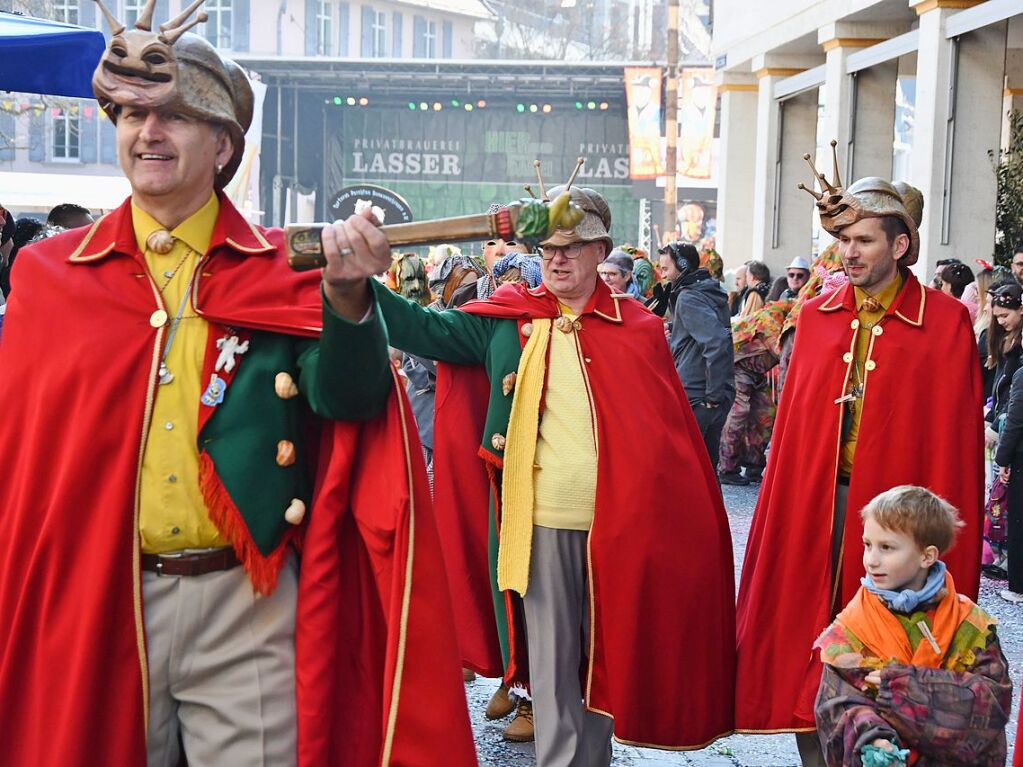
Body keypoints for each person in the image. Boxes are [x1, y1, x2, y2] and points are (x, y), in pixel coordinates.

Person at [0, 8, 475, 766]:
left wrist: (349, 300)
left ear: (222, 144)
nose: (148, 132)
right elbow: (24, 464)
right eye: (131, 114)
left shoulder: (282, 268)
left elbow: (345, 404)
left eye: (175, 115)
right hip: (97, 596)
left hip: (246, 599)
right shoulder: (49, 277)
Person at [324, 184, 738, 765]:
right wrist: (357, 284)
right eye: (546, 248)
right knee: (551, 669)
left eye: (572, 247)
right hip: (537, 525)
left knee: (603, 665)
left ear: (602, 250)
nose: (558, 259)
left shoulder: (638, 328)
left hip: (619, 529)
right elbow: (421, 329)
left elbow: (666, 442)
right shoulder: (508, 319)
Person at [734, 172, 983, 767]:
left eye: (864, 240)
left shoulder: (944, 322)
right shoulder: (818, 316)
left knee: (888, 652)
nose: (848, 253)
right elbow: (794, 431)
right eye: (843, 240)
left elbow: (953, 448)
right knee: (811, 643)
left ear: (900, 245)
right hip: (819, 506)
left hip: (898, 525)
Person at [814, 486, 1011, 766]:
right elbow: (836, 704)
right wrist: (873, 740)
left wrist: (904, 687)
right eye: (867, 544)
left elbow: (991, 703)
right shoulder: (854, 625)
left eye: (887, 547)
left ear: (926, 556)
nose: (871, 559)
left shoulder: (970, 625)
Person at [658, 240, 735, 465]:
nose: (662, 275)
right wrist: (675, 328)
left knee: (686, 468)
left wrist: (712, 396)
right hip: (710, 393)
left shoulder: (689, 297)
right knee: (707, 470)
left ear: (682, 266)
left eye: (665, 268)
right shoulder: (707, 290)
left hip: (698, 394)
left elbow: (716, 341)